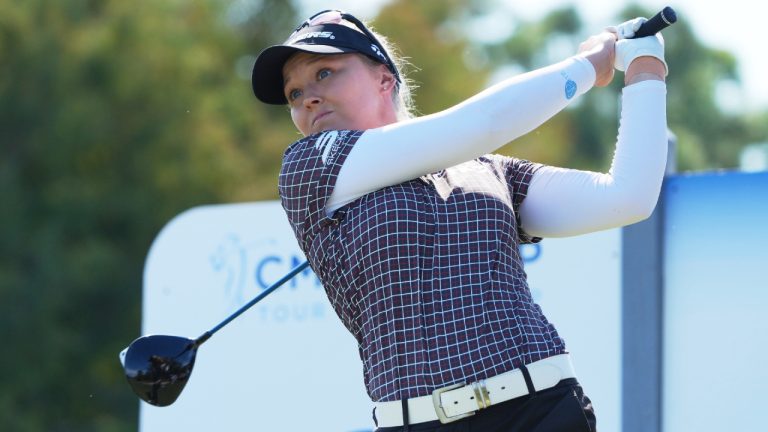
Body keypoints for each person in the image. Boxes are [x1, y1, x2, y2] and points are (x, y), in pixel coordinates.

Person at [251, 9, 667, 432]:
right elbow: (482, 123)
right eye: (294, 94)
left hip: (543, 408)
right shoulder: (309, 166)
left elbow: (627, 197)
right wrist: (587, 67)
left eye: (324, 73)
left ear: (384, 79)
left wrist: (645, 67)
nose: (308, 98)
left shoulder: (485, 167)